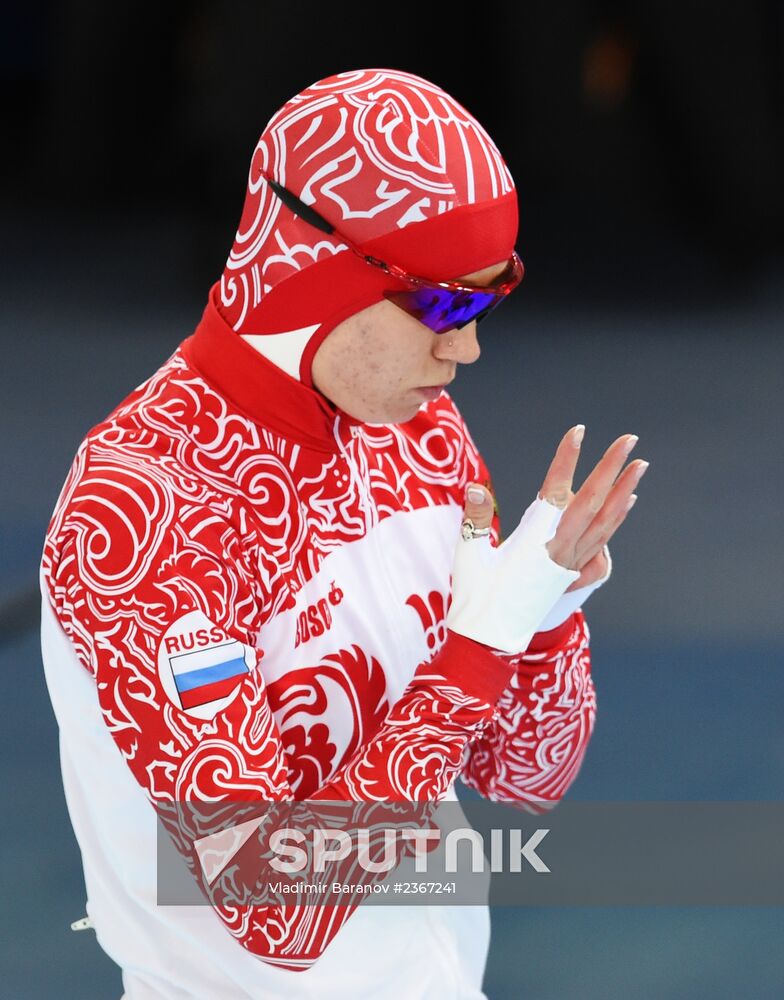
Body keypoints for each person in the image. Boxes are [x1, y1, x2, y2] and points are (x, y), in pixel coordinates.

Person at [40, 67, 648, 999]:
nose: (469, 348)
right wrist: (480, 645)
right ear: (318, 270)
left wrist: (548, 605)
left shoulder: (420, 430)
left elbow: (528, 777)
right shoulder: (146, 505)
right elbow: (273, 899)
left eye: (491, 299)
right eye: (446, 304)